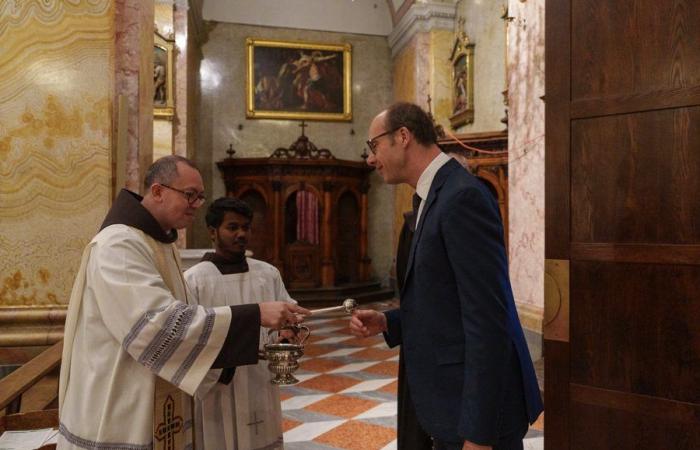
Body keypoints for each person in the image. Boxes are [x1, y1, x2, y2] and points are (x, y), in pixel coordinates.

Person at [58, 155, 309, 450]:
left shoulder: (160, 243)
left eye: (200, 197)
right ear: (157, 191)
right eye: (190, 195)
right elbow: (156, 326)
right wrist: (255, 316)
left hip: (154, 395)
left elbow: (188, 316)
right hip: (120, 401)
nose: (197, 203)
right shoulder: (119, 245)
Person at [349, 103, 543, 450]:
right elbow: (443, 299)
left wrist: (478, 435)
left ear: (403, 137)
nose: (370, 159)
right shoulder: (434, 194)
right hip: (451, 405)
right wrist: (388, 321)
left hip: (479, 418)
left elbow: (488, 320)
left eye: (373, 146)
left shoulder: (461, 197)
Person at [185, 197, 295, 450]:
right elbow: (190, 333)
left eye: (246, 227)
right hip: (218, 383)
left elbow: (288, 312)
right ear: (213, 232)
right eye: (232, 227)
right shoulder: (195, 280)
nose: (241, 234)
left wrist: (288, 332)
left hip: (260, 378)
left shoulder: (267, 273)